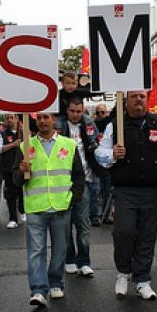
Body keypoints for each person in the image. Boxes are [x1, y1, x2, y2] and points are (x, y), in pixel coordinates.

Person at [96, 90, 157, 300]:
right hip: (125, 190)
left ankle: (143, 279)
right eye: (134, 96)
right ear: (126, 100)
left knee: (147, 235)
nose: (139, 100)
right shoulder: (115, 125)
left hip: (153, 190)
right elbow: (99, 154)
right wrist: (112, 154)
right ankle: (123, 272)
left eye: (142, 97)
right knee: (123, 232)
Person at [12, 112, 85, 308]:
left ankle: (55, 283)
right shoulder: (25, 146)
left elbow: (79, 175)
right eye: (39, 118)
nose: (42, 121)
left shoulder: (69, 145)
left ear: (54, 120)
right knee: (36, 250)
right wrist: (21, 171)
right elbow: (16, 181)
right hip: (36, 207)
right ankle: (38, 289)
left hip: (61, 206)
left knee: (60, 250)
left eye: (46, 117)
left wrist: (73, 198)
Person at [56, 97, 100, 276]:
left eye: (78, 111)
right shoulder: (58, 125)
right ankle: (69, 258)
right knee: (65, 224)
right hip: (63, 181)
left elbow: (95, 147)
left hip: (85, 181)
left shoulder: (89, 124)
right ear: (67, 110)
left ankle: (84, 261)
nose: (75, 115)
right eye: (72, 111)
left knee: (83, 223)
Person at [0, 113, 24, 228]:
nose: (9, 120)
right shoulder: (2, 134)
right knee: (10, 193)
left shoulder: (23, 132)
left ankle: (22, 210)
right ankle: (13, 218)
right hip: (8, 168)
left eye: (12, 118)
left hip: (21, 168)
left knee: (22, 191)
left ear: (17, 119)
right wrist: (13, 145)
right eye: (7, 118)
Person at [92, 103, 113, 224]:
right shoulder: (92, 125)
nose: (100, 115)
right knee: (95, 190)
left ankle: (105, 214)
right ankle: (94, 214)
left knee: (107, 190)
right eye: (98, 112)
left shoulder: (110, 124)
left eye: (103, 112)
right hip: (94, 163)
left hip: (106, 162)